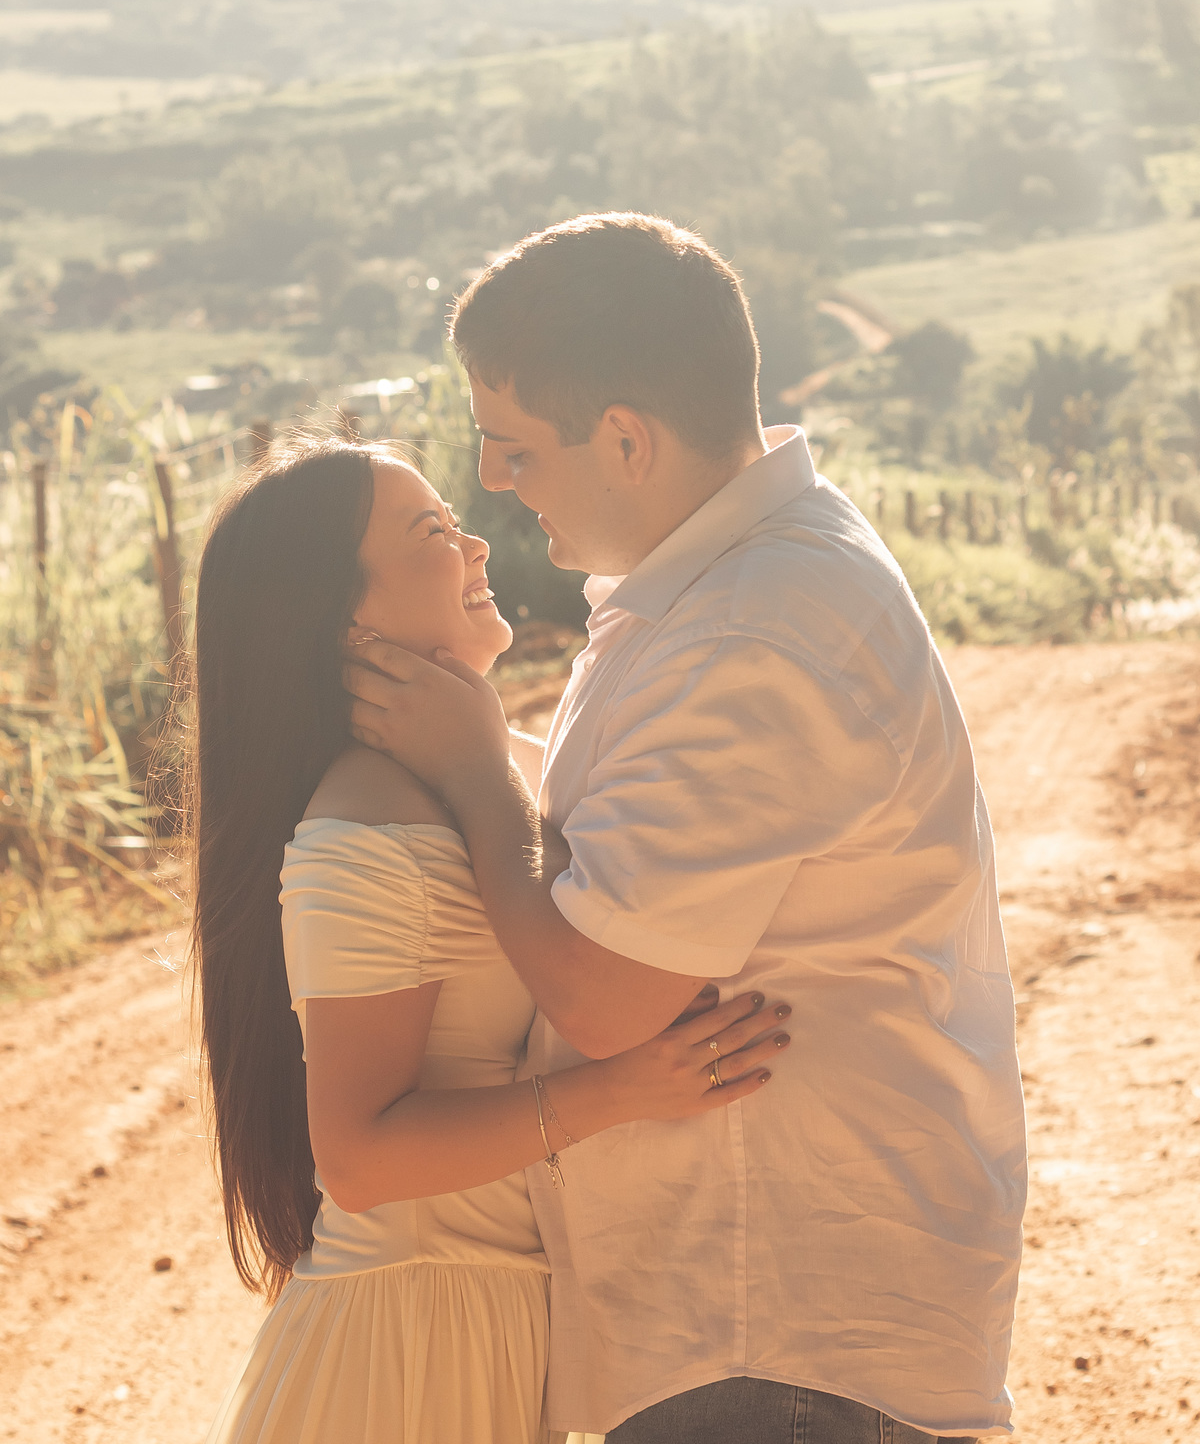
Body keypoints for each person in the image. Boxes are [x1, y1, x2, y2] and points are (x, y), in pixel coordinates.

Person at [344, 212, 1029, 1443]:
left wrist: (471, 770)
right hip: (768, 1325)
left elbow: (608, 999)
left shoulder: (749, 632)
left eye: (510, 446)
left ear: (623, 439)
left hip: (778, 1332)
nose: (491, 482)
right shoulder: (731, 578)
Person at [191, 434, 789, 1444]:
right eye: (430, 530)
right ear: (343, 617)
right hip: (409, 1348)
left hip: (496, 1322)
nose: (474, 541)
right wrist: (624, 1089)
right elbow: (359, 1157)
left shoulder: (497, 766)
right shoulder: (369, 811)